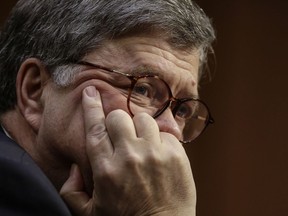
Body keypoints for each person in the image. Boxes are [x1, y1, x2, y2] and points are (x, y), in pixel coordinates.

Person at [0, 0, 215, 215]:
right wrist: (158, 211)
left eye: (182, 111)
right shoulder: (14, 186)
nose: (172, 130)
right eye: (142, 90)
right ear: (35, 90)